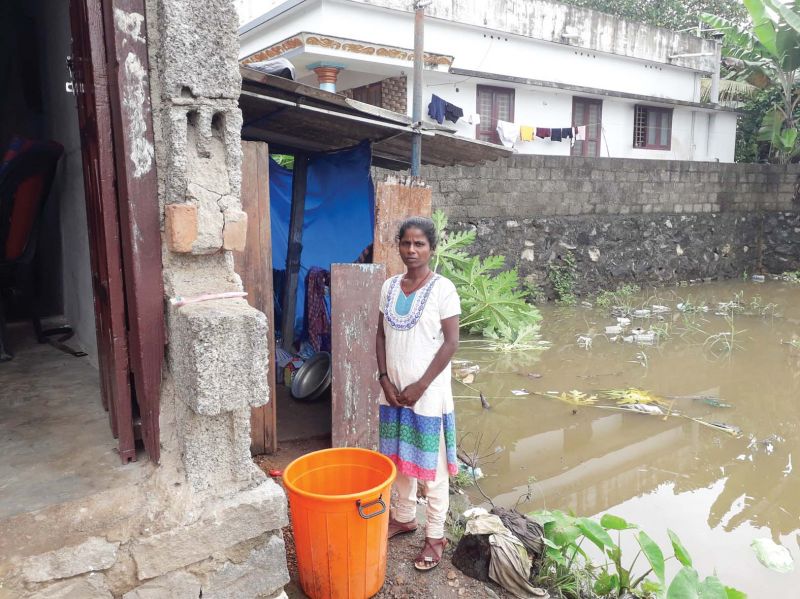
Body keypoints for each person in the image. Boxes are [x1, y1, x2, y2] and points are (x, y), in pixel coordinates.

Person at [375, 216, 461, 571]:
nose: (411, 250)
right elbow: (379, 335)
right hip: (393, 392)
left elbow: (451, 342)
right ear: (398, 245)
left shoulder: (443, 289)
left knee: (433, 467)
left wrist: (421, 385)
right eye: (406, 243)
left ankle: (435, 535)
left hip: (428, 395)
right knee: (400, 457)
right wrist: (384, 379)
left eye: (419, 244)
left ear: (432, 248)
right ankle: (406, 516)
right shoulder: (390, 287)